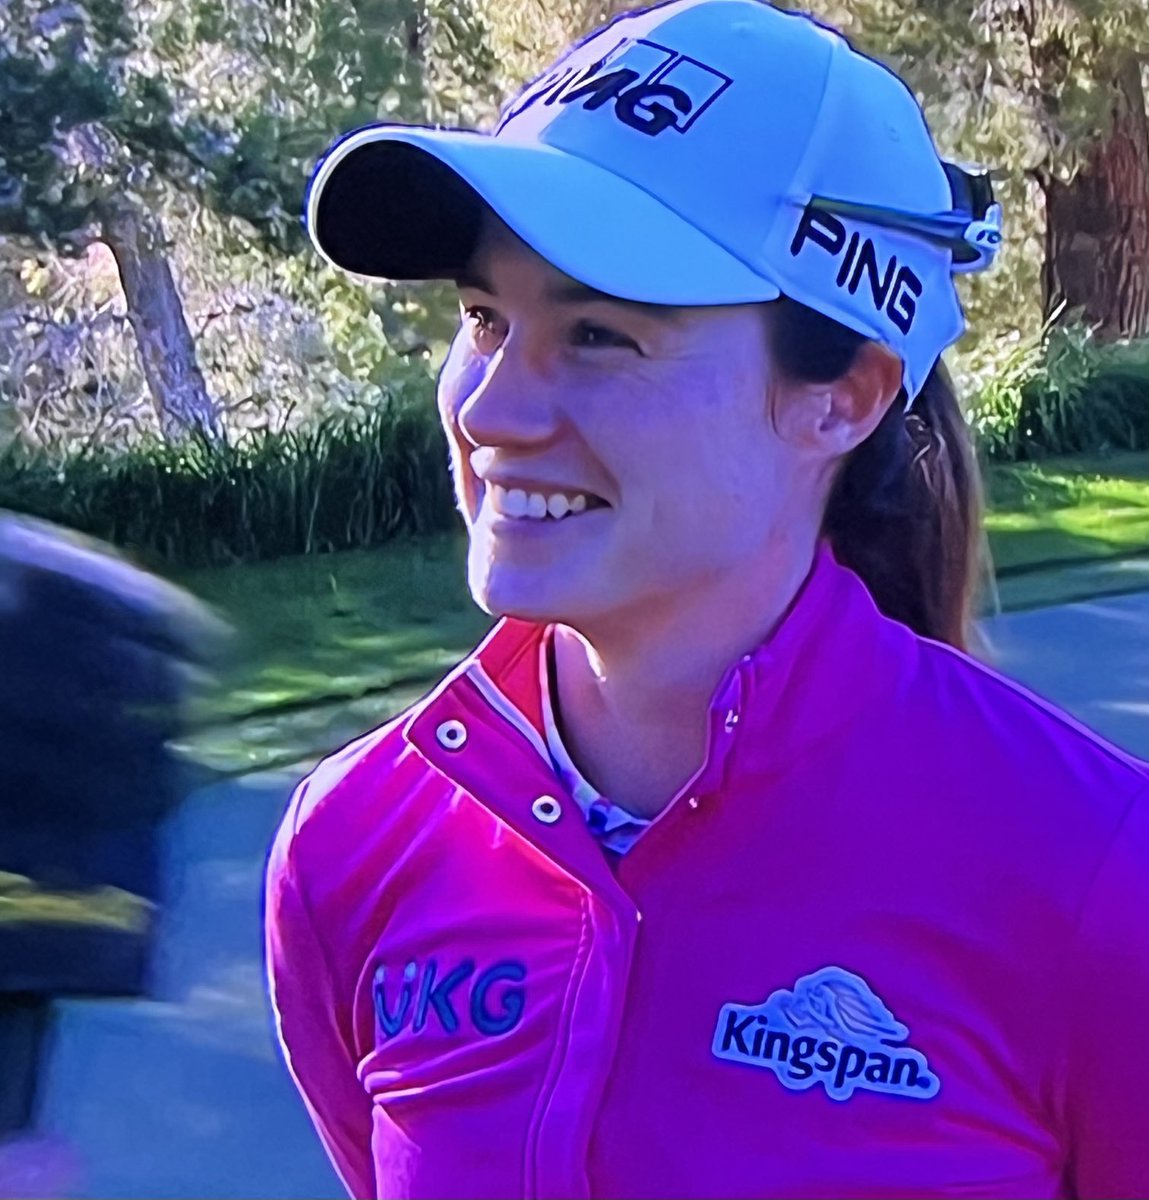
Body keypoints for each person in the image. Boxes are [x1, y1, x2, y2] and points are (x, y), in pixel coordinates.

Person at [264, 0, 1149, 1196]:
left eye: (598, 334)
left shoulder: (1099, 877)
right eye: (485, 318)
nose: (488, 410)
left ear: (844, 396)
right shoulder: (353, 843)